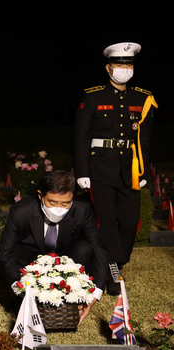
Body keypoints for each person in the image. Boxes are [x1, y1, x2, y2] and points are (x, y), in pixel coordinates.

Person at [74, 42, 157, 295]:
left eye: (128, 65)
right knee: (106, 220)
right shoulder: (93, 96)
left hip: (130, 169)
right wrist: (82, 171)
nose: (124, 69)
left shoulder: (142, 98)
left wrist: (144, 172)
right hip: (100, 167)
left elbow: (144, 139)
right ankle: (111, 269)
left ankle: (118, 260)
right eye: (119, 65)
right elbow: (81, 136)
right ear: (108, 68)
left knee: (131, 221)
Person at [0, 170, 108, 323]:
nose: (58, 208)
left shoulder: (83, 210)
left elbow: (98, 248)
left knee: (85, 248)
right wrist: (18, 286)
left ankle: (72, 297)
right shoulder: (21, 211)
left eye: (65, 203)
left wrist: (95, 293)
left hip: (65, 258)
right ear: (40, 195)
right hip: (29, 260)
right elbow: (5, 253)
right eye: (52, 202)